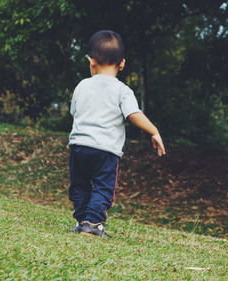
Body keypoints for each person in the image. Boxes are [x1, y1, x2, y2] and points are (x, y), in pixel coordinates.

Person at [68, 30, 166, 238]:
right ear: (122, 64)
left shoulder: (82, 85)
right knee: (103, 187)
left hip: (79, 147)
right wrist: (154, 131)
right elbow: (134, 114)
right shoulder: (123, 90)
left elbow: (75, 112)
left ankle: (82, 220)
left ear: (91, 61)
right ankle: (93, 224)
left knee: (79, 185)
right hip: (106, 151)